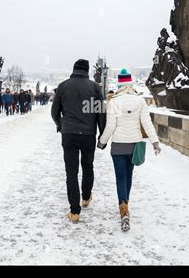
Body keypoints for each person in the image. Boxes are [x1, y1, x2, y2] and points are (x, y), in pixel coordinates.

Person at [98, 69, 161, 231]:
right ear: (131, 83)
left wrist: (102, 142)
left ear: (119, 84)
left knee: (120, 178)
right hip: (133, 145)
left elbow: (110, 125)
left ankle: (123, 206)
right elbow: (147, 124)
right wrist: (155, 142)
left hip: (118, 145)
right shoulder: (140, 101)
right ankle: (125, 204)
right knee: (129, 176)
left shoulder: (114, 102)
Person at [51, 59, 106, 223]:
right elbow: (100, 114)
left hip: (69, 134)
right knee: (88, 166)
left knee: (71, 172)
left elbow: (55, 112)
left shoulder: (63, 86)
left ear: (74, 69)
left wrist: (61, 125)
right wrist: (102, 135)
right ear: (87, 70)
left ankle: (74, 212)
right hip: (88, 134)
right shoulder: (95, 87)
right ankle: (86, 197)